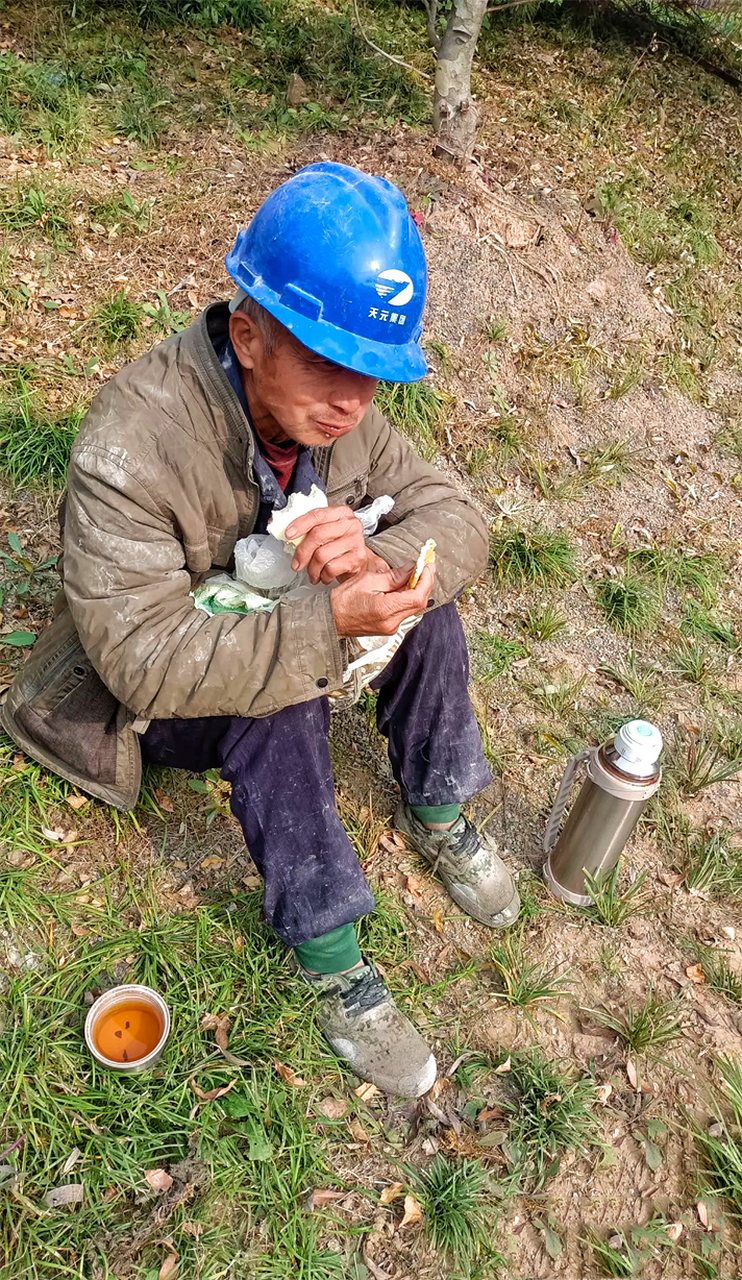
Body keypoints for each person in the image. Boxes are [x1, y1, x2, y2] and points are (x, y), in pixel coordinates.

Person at [2, 162, 520, 1097]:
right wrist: (323, 621)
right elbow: (143, 661)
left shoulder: (338, 414)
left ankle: (440, 807)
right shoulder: (133, 438)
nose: (354, 402)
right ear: (249, 336)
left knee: (424, 599)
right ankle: (333, 956)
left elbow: (456, 511)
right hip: (141, 693)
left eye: (373, 375)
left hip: (258, 620)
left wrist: (379, 563)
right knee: (278, 706)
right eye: (328, 365)